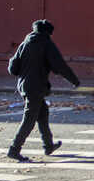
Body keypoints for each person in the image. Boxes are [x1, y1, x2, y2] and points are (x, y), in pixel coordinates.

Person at [6, 19, 80, 161]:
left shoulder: (25, 43)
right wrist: (74, 81)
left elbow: (12, 68)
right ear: (48, 33)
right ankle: (14, 149)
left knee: (43, 113)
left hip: (24, 86)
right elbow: (60, 66)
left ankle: (48, 145)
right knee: (29, 119)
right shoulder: (46, 44)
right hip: (36, 87)